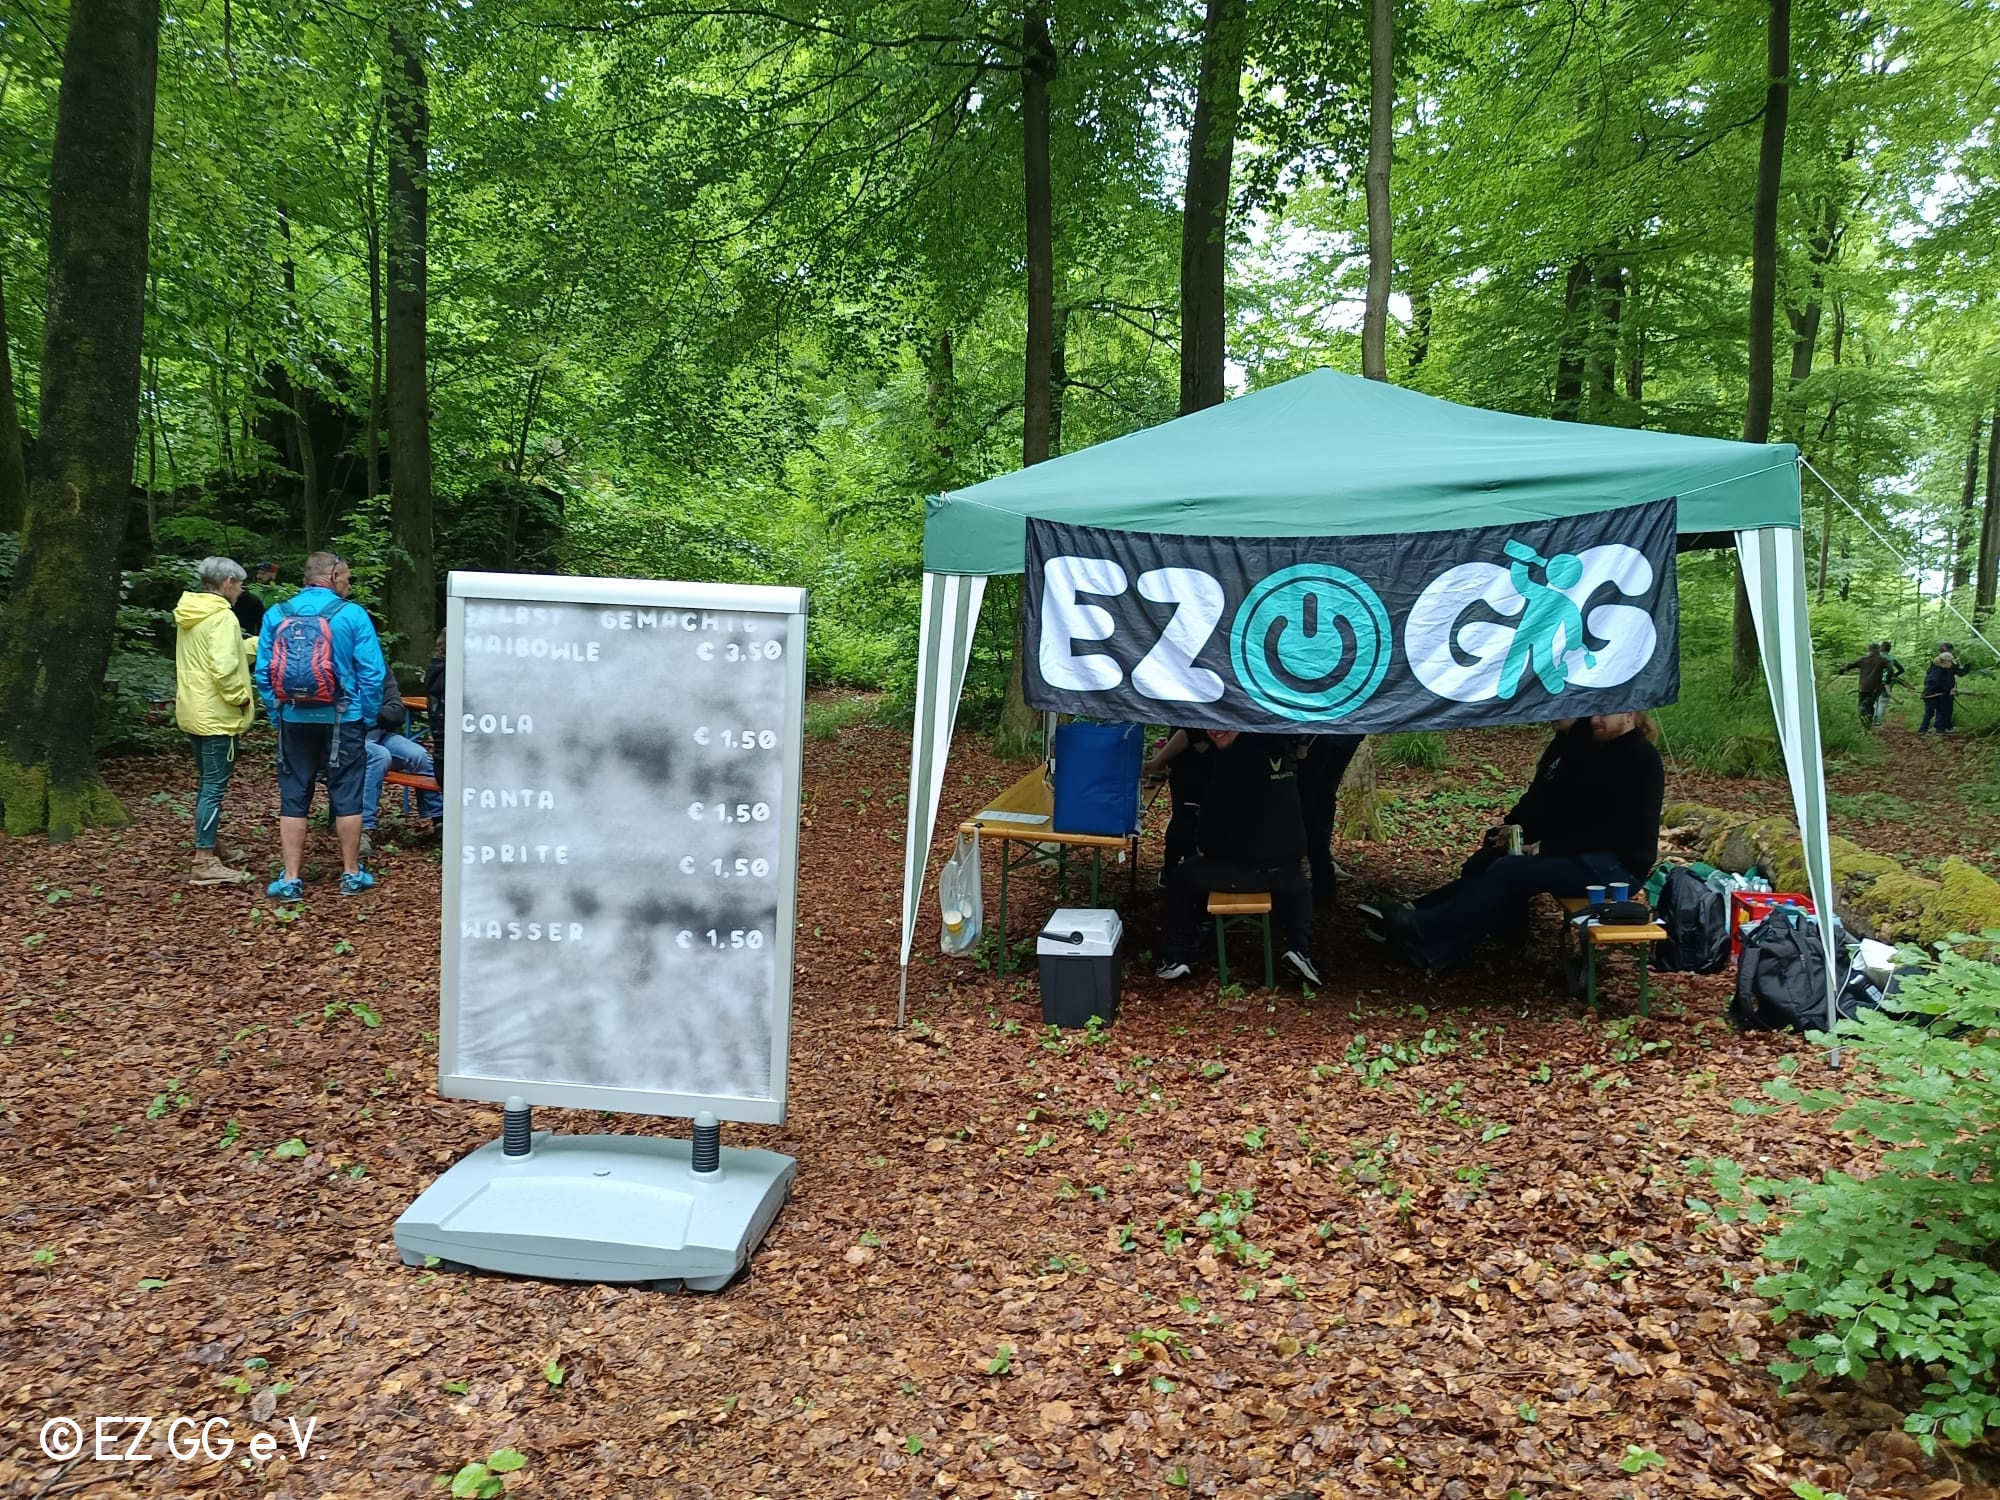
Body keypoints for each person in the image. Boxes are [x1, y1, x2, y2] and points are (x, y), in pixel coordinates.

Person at [1376, 713, 1664, 973]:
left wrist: (1547, 847)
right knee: (1500, 866)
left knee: (1509, 871)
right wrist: (1524, 833)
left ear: (1630, 714)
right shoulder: (1605, 751)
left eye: (1604, 713)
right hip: (1591, 857)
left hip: (1616, 870)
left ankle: (1423, 926)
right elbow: (1570, 812)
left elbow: (1611, 830)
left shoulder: (1639, 759)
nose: (1594, 719)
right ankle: (1433, 946)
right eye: (1594, 712)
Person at [254, 551, 387, 900]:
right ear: (333, 576)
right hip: (344, 719)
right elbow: (373, 674)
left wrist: (277, 714)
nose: (349, 584)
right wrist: (367, 717)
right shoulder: (353, 615)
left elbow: (264, 673)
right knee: (348, 795)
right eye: (347, 578)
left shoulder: (276, 614)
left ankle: (291, 879)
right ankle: (351, 874)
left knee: (293, 796)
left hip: (293, 719)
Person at [1155, 731, 1321, 986]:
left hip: (1243, 872)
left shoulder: (1232, 762)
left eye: (1222, 726)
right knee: (1302, 886)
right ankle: (1300, 949)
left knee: (1180, 878)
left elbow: (1210, 832)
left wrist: (1205, 840)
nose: (1213, 732)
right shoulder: (1283, 752)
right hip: (1287, 872)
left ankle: (1174, 958)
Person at [173, 557, 258, 885]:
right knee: (213, 787)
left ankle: (212, 846)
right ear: (228, 583)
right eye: (240, 585)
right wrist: (240, 698)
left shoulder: (192, 612)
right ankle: (204, 859)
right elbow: (224, 667)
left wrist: (263, 643)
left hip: (194, 709)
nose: (241, 591)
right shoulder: (222, 616)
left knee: (208, 782)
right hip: (217, 716)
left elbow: (225, 653)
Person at [361, 691, 443, 853]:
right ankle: (364, 828)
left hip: (380, 734)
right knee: (380, 756)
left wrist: (369, 710)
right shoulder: (342, 676)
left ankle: (439, 820)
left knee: (418, 756)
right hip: (348, 738)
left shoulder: (382, 676)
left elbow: (397, 714)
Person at [1296, 733, 1364, 902]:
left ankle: (1314, 876)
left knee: (1308, 799)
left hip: (1320, 733)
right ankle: (1322, 876)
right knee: (1322, 798)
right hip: (1344, 729)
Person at [1143, 727, 1213, 876]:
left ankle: (1178, 871)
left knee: (1186, 820)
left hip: (1197, 768)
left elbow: (1189, 735)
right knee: (1185, 820)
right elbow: (1189, 735)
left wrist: (1157, 761)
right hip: (1191, 768)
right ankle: (1175, 870)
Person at [1835, 642, 1888, 728]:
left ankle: (1864, 722)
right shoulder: (1882, 660)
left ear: (1869, 650)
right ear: (1878, 650)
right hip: (1875, 688)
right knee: (1870, 705)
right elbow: (1890, 670)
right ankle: (1868, 724)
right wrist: (1886, 680)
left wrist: (1842, 669)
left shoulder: (1863, 660)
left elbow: (1850, 665)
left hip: (1863, 687)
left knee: (1861, 705)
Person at [1920, 645, 1970, 734]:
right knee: (1930, 713)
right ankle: (1923, 730)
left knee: (1943, 711)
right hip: (1932, 695)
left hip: (1940, 694)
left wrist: (1949, 690)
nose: (1952, 664)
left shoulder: (1945, 668)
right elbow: (1934, 683)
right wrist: (1948, 690)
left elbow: (1958, 674)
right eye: (1951, 662)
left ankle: (1939, 729)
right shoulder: (1937, 670)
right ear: (1946, 661)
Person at [231, 559, 279, 638]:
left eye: (263, 574)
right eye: (258, 573)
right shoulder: (250, 591)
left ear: (273, 575)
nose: (258, 576)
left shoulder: (280, 595)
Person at [1877, 640, 1907, 727]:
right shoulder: (1892, 658)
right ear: (1889, 649)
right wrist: (1894, 675)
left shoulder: (1876, 657)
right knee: (1883, 702)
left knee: (1875, 701)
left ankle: (1872, 719)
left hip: (1875, 682)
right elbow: (1901, 669)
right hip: (1887, 683)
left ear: (1880, 648)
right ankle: (1878, 722)